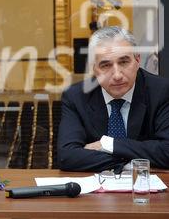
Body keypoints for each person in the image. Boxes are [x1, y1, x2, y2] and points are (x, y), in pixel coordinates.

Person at [58, 26, 169, 171]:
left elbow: (167, 152)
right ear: (94, 69)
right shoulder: (76, 96)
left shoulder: (161, 91)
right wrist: (129, 162)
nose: (117, 75)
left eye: (124, 62)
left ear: (137, 60)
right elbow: (67, 156)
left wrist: (108, 145)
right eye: (106, 65)